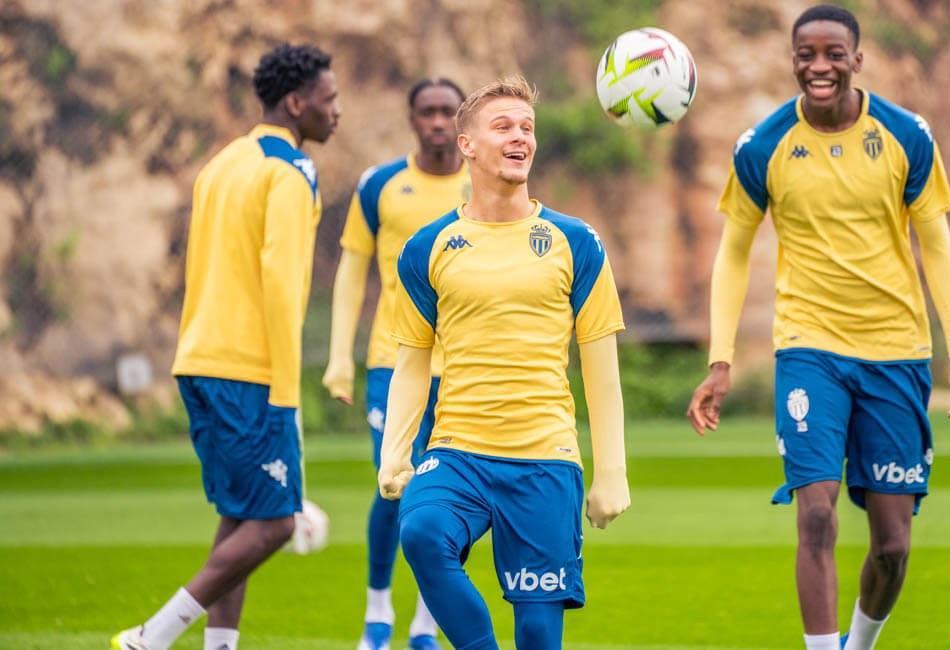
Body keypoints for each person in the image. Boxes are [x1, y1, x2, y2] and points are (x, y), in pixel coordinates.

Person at [685, 6, 950, 650]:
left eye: (833, 54)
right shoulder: (762, 146)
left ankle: (859, 644)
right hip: (808, 349)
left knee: (893, 547)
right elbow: (733, 253)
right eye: (806, 55)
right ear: (792, 61)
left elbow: (938, 246)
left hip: (896, 352)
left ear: (857, 60)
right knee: (815, 514)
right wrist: (720, 360)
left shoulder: (906, 135)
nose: (819, 66)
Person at [376, 74, 630, 650]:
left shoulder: (575, 241)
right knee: (421, 532)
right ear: (466, 145)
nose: (520, 137)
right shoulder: (426, 247)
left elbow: (602, 372)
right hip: (457, 451)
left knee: (537, 634)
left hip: (544, 458)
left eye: (527, 128)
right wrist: (396, 450)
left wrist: (611, 471)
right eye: (503, 127)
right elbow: (411, 363)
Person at [113, 43, 340, 650]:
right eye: (329, 99)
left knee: (240, 514)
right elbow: (281, 285)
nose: (337, 111)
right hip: (249, 370)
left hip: (199, 359)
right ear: (297, 104)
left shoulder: (222, 163)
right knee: (276, 525)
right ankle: (150, 638)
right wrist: (287, 393)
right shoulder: (291, 171)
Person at [322, 77, 469, 650]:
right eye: (426, 111)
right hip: (394, 361)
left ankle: (425, 625)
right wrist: (340, 358)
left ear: (461, 120)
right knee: (394, 487)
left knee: (450, 495)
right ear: (411, 119)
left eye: (447, 111)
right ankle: (377, 612)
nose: (437, 121)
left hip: (466, 367)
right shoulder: (380, 185)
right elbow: (351, 270)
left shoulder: (484, 183)